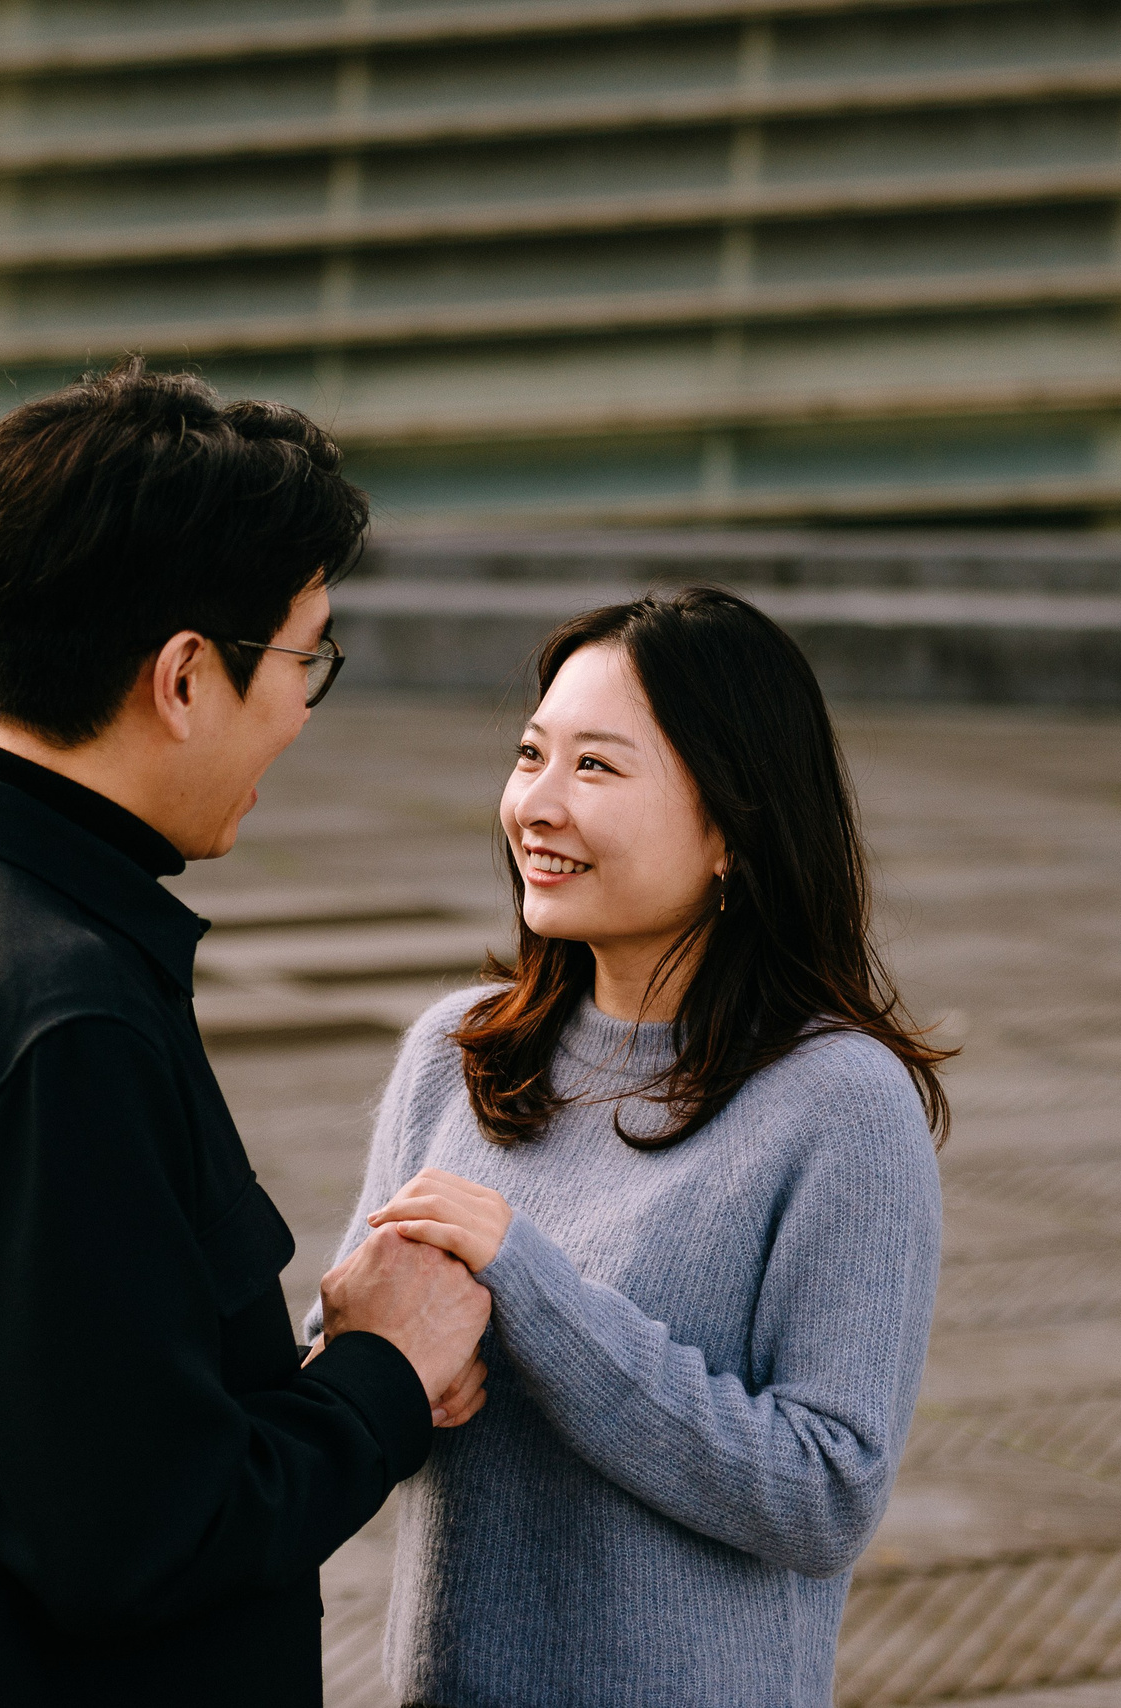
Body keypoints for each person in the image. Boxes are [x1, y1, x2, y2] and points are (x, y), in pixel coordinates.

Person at [0, 358, 492, 1708]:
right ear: (181, 676)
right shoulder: (66, 1028)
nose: (299, 709)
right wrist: (387, 1377)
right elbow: (147, 1540)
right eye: (300, 659)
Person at [305, 586, 950, 1707]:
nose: (535, 806)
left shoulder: (841, 1101)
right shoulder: (452, 1051)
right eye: (529, 755)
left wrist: (530, 1289)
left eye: (595, 768)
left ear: (733, 831)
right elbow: (356, 1363)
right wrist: (369, 1364)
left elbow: (826, 1492)